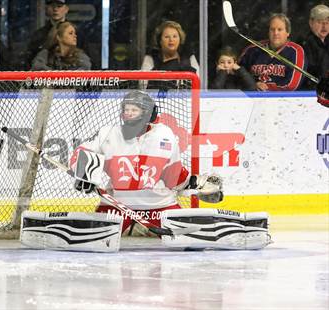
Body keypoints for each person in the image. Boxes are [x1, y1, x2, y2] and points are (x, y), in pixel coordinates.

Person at [69, 90, 223, 235]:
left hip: (159, 205)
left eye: (134, 110)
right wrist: (84, 174)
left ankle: (136, 228)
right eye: (126, 109)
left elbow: (173, 175)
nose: (128, 114)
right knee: (95, 239)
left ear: (148, 113)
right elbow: (82, 151)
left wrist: (193, 186)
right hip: (117, 205)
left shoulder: (164, 135)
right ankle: (133, 228)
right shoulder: (109, 133)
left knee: (186, 240)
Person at [239, 13, 306, 91]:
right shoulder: (252, 50)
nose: (275, 33)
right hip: (252, 98)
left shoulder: (296, 51)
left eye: (280, 29)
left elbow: (292, 85)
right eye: (272, 29)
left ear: (288, 32)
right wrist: (253, 85)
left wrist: (268, 87)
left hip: (283, 100)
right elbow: (237, 74)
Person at [141, 21, 198, 89]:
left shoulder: (190, 58)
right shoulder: (150, 59)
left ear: (180, 39)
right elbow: (143, 86)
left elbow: (198, 85)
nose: (171, 40)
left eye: (175, 36)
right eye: (167, 37)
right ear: (160, 40)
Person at [25, 0, 69, 69]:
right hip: (44, 77)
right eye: (52, 6)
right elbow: (29, 63)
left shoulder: (77, 34)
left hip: (71, 77)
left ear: (66, 9)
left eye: (59, 6)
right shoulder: (38, 35)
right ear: (46, 8)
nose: (55, 9)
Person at [302, 4, 329, 90]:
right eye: (320, 22)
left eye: (327, 22)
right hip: (311, 93)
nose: (324, 26)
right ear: (311, 23)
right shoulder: (304, 44)